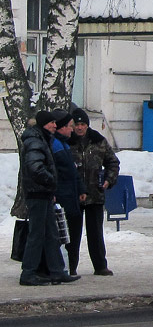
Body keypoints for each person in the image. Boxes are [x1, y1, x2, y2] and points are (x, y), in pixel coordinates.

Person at [18, 110, 76, 286]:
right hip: (38, 194)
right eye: (51, 123)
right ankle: (28, 273)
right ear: (44, 124)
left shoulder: (42, 138)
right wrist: (50, 182)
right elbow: (35, 167)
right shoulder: (35, 140)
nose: (54, 125)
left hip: (44, 193)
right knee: (37, 233)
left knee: (51, 233)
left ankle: (57, 271)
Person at [69, 108, 118, 276]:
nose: (80, 128)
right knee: (72, 234)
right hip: (73, 196)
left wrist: (108, 180)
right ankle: (70, 266)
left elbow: (113, 162)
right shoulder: (67, 141)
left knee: (95, 233)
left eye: (83, 124)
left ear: (87, 126)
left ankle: (100, 265)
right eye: (77, 124)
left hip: (95, 194)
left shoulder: (98, 141)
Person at [49, 110, 85, 276]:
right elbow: (62, 172)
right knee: (65, 235)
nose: (72, 129)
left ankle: (70, 267)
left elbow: (72, 171)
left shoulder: (63, 144)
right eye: (70, 126)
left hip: (71, 196)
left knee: (72, 234)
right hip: (63, 197)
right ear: (61, 127)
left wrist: (81, 189)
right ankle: (65, 268)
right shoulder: (56, 145)